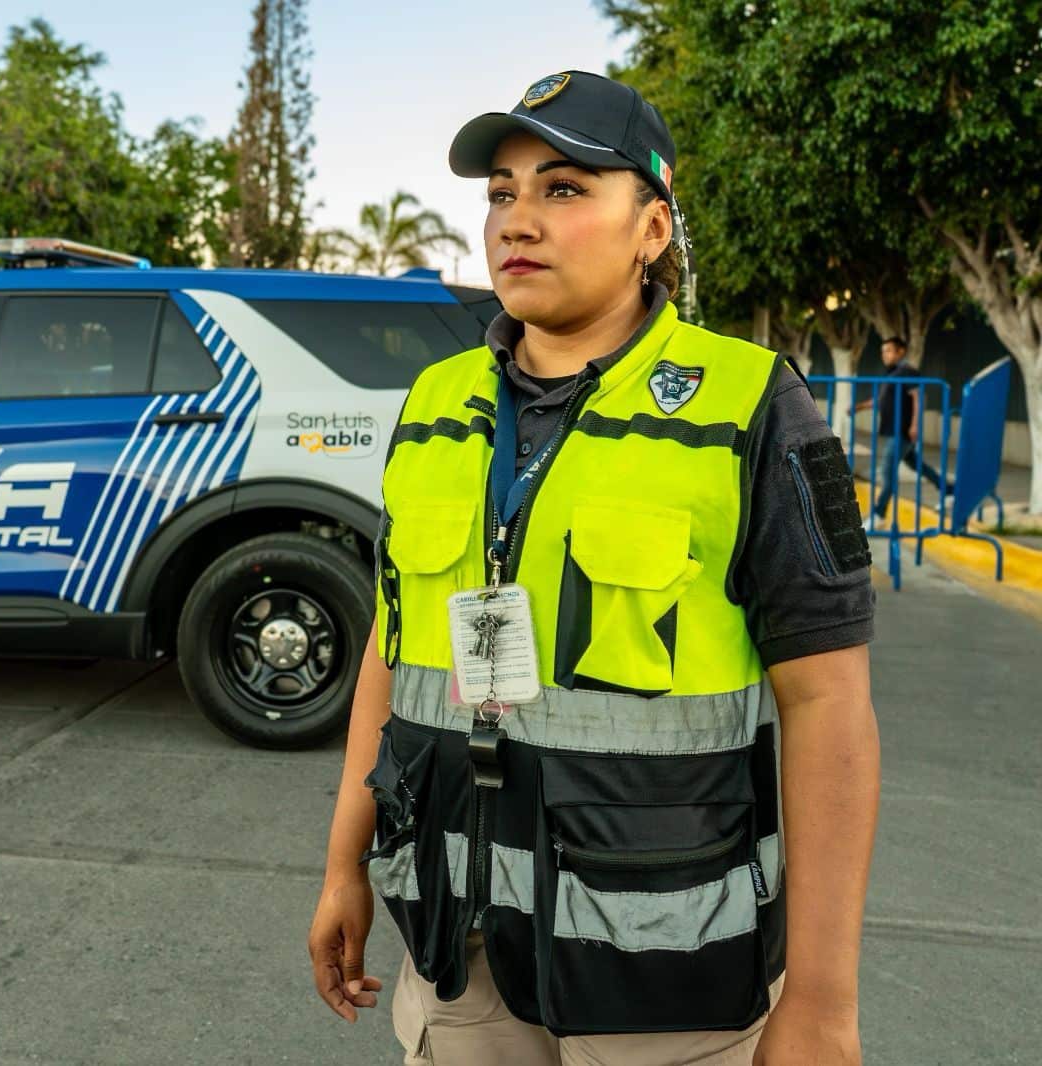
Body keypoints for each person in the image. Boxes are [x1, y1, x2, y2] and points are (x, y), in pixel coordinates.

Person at [307, 70, 880, 1066]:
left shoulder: (746, 408)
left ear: (650, 229)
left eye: (563, 189)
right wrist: (341, 862)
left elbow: (829, 705)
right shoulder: (437, 404)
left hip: (669, 971)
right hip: (462, 952)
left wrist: (823, 1003)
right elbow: (390, 647)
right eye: (500, 192)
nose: (517, 219)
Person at [869, 335, 950, 521]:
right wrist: (858, 408)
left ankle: (878, 514)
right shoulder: (893, 373)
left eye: (889, 351)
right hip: (895, 430)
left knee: (887, 470)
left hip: (902, 430)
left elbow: (918, 396)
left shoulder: (907, 371)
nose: (885, 355)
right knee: (916, 464)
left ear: (901, 351)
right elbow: (881, 400)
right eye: (883, 351)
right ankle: (948, 490)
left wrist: (915, 424)